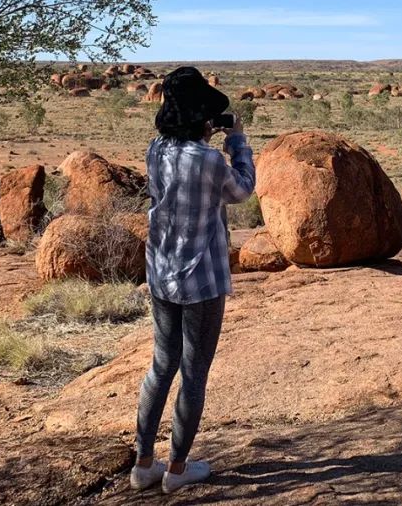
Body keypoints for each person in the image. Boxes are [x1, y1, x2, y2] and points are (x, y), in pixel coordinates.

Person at [129, 66, 256, 494]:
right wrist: (236, 140)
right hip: (200, 280)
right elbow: (242, 190)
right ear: (201, 114)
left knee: (161, 366)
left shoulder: (155, 150)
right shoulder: (207, 160)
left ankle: (144, 463)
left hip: (162, 273)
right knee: (193, 373)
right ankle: (178, 470)